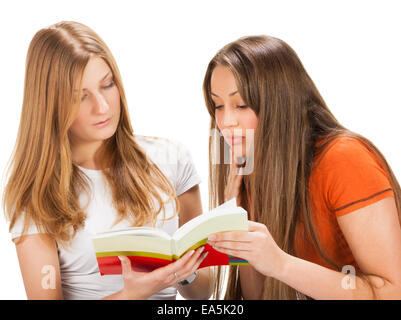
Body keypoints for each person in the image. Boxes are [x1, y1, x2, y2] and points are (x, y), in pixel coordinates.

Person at [2, 21, 211, 300]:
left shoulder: (171, 159)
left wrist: (186, 273)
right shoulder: (37, 192)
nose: (102, 107)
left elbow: (203, 293)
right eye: (80, 96)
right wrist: (130, 295)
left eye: (107, 84)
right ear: (50, 105)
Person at [203, 35, 401, 299]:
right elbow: (257, 296)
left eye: (241, 105)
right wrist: (238, 219)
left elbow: (392, 291)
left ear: (279, 103)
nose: (226, 121)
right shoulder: (252, 169)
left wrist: (281, 264)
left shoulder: (345, 158)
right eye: (218, 106)